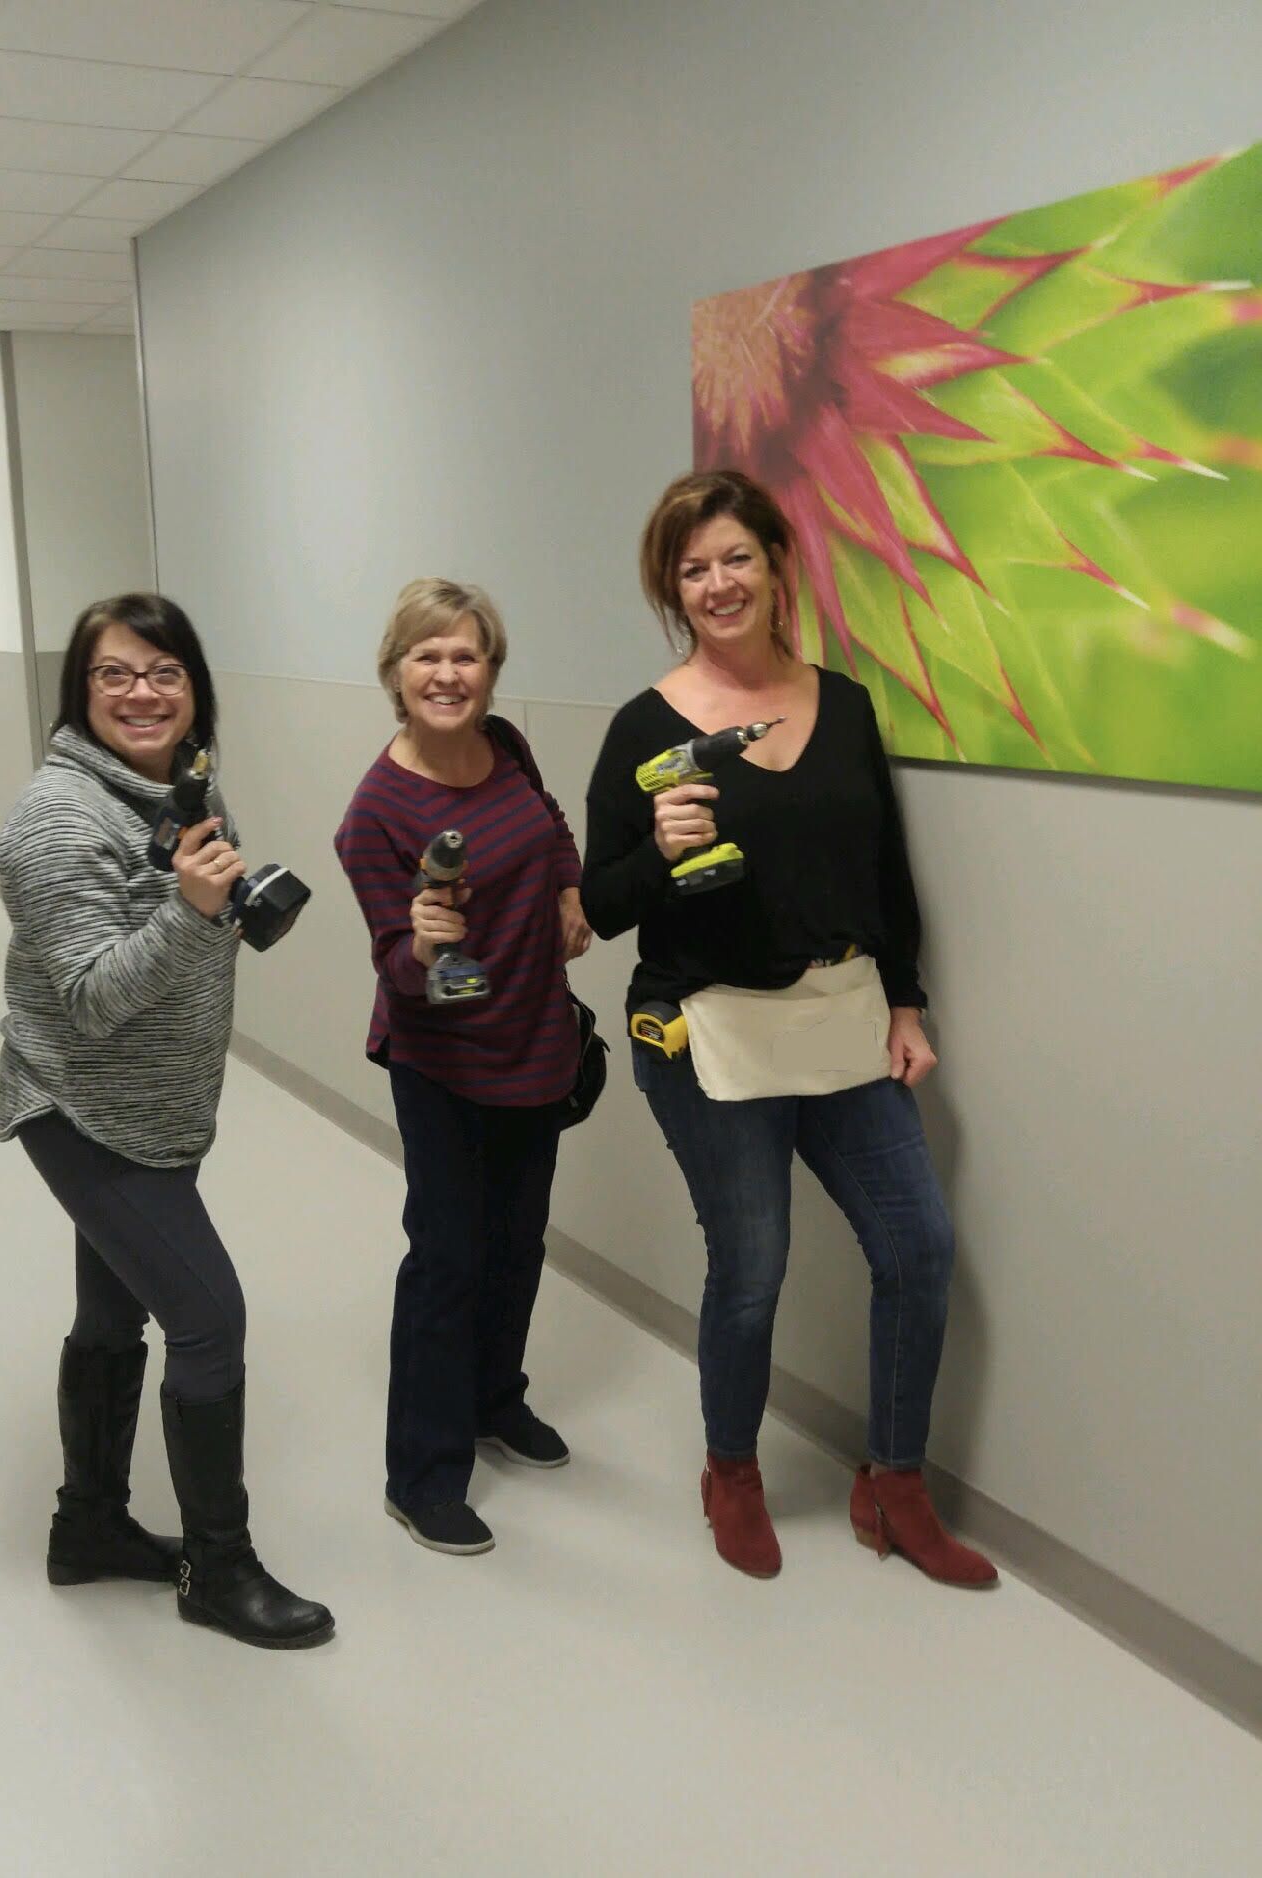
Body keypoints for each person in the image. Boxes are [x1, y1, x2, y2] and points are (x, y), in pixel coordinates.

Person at [579, 471, 996, 1588]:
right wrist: (657, 850)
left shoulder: (844, 703)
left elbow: (881, 873)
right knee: (751, 1265)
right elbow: (600, 904)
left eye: (734, 559)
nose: (716, 584)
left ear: (776, 566)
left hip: (841, 1018)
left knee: (917, 1248)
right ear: (673, 588)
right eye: (691, 568)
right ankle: (731, 1472)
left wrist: (903, 1000)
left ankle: (893, 1484)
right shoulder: (641, 727)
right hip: (706, 1029)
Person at [0, 592, 334, 1648]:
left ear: (194, 689)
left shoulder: (182, 783)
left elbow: (183, 909)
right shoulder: (56, 820)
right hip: (86, 1109)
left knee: (114, 1316)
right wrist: (193, 915)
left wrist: (210, 903)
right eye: (115, 674)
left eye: (164, 672)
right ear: (80, 691)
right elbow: (93, 994)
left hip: (159, 1107)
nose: (143, 692)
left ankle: (88, 1528)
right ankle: (217, 1570)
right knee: (209, 1322)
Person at [335, 578, 591, 1556]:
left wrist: (567, 892)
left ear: (490, 670)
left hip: (535, 1039)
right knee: (447, 1260)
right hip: (441, 1061)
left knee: (518, 1242)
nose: (447, 673)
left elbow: (552, 826)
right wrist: (426, 944)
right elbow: (397, 976)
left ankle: (494, 1401)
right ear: (396, 674)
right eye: (426, 656)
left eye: (465, 656)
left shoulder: (507, 747)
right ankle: (423, 1473)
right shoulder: (375, 814)